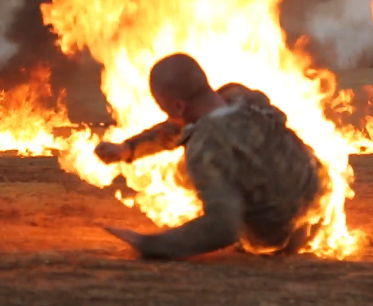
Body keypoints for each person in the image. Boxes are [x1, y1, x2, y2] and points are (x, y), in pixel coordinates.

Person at [93, 53, 328, 259]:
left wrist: (151, 244)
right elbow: (181, 125)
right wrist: (129, 149)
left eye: (163, 106)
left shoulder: (205, 147)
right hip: (320, 200)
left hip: (281, 236)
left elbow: (223, 226)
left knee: (185, 175)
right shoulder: (243, 98)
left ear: (177, 106)